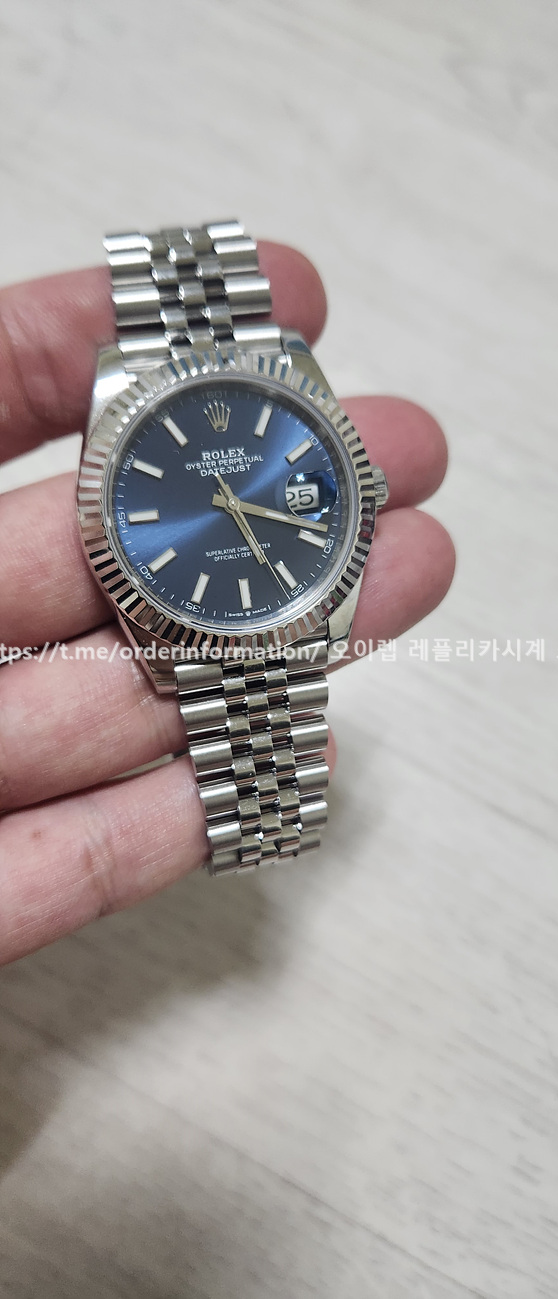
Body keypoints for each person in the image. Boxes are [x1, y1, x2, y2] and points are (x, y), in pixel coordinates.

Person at [0, 240, 454, 965]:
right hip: (196, 613)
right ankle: (259, 828)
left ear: (359, 488)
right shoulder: (120, 439)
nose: (232, 503)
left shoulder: (311, 438)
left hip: (289, 603)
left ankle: (264, 826)